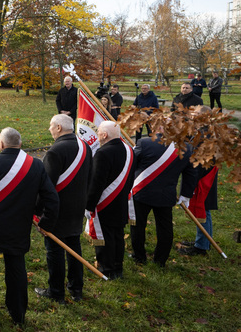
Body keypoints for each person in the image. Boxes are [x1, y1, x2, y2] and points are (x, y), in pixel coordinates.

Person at [0, 128, 59, 325]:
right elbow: (52, 198)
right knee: (16, 269)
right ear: (20, 144)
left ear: (1, 144)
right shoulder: (36, 165)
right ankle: (18, 313)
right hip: (18, 225)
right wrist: (45, 223)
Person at [34, 114, 92, 304]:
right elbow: (89, 178)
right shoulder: (85, 147)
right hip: (77, 207)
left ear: (59, 128)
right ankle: (76, 289)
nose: (49, 129)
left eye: (51, 126)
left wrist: (37, 210)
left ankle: (56, 291)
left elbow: (46, 186)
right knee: (74, 246)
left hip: (58, 209)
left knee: (55, 251)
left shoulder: (55, 151)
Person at [130, 125, 197, 267]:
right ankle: (160, 260)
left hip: (142, 192)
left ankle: (139, 256)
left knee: (138, 226)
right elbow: (191, 174)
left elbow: (131, 164)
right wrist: (185, 195)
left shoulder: (144, 143)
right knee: (165, 228)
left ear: (159, 129)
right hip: (166, 194)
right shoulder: (187, 149)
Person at [85, 121, 133, 280]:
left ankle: (106, 269)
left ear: (104, 135)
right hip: (121, 200)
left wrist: (89, 205)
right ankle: (118, 267)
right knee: (118, 235)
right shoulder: (129, 150)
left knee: (106, 236)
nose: (98, 134)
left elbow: (96, 183)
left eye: (99, 131)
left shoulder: (102, 153)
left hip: (105, 202)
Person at [181, 106, 218, 256]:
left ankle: (201, 246)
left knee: (203, 209)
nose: (191, 116)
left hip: (203, 176)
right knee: (204, 209)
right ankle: (203, 240)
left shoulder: (205, 136)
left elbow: (199, 160)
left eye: (195, 114)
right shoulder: (202, 132)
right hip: (204, 174)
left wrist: (192, 181)